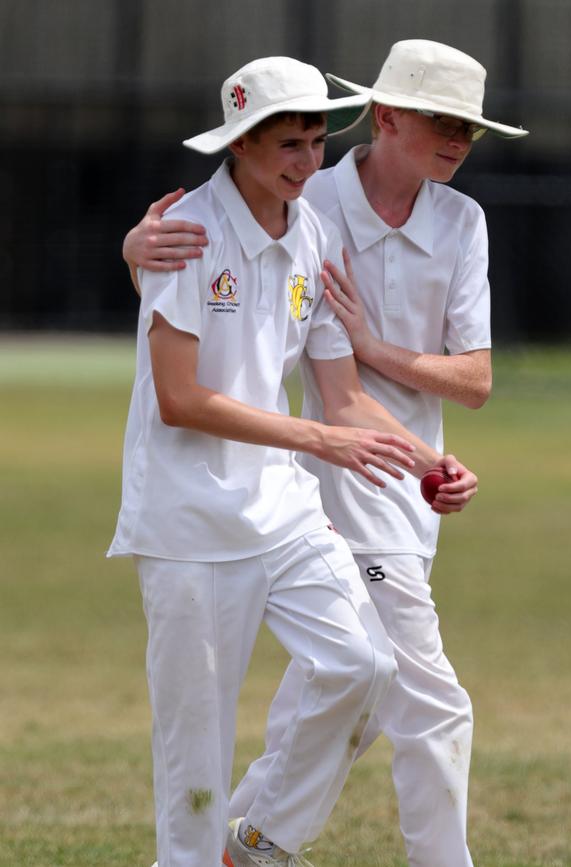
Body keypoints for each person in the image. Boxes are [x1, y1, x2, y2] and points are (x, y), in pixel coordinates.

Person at [111, 53, 480, 867]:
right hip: (189, 521)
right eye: (288, 144)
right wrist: (317, 440)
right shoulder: (186, 234)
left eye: (316, 141)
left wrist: (428, 462)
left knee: (364, 666)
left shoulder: (311, 231)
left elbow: (342, 397)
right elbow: (180, 398)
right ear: (240, 143)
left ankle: (260, 840)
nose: (308, 161)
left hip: (279, 510)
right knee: (195, 770)